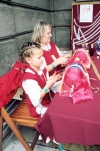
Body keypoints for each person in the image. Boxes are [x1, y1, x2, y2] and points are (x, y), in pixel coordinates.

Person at [19, 42, 61, 118]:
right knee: (61, 113)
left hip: (47, 101)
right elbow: (36, 99)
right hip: (39, 108)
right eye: (39, 57)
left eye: (42, 56)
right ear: (29, 60)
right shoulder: (29, 79)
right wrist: (48, 85)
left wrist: (52, 80)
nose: (42, 59)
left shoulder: (41, 68)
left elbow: (45, 81)